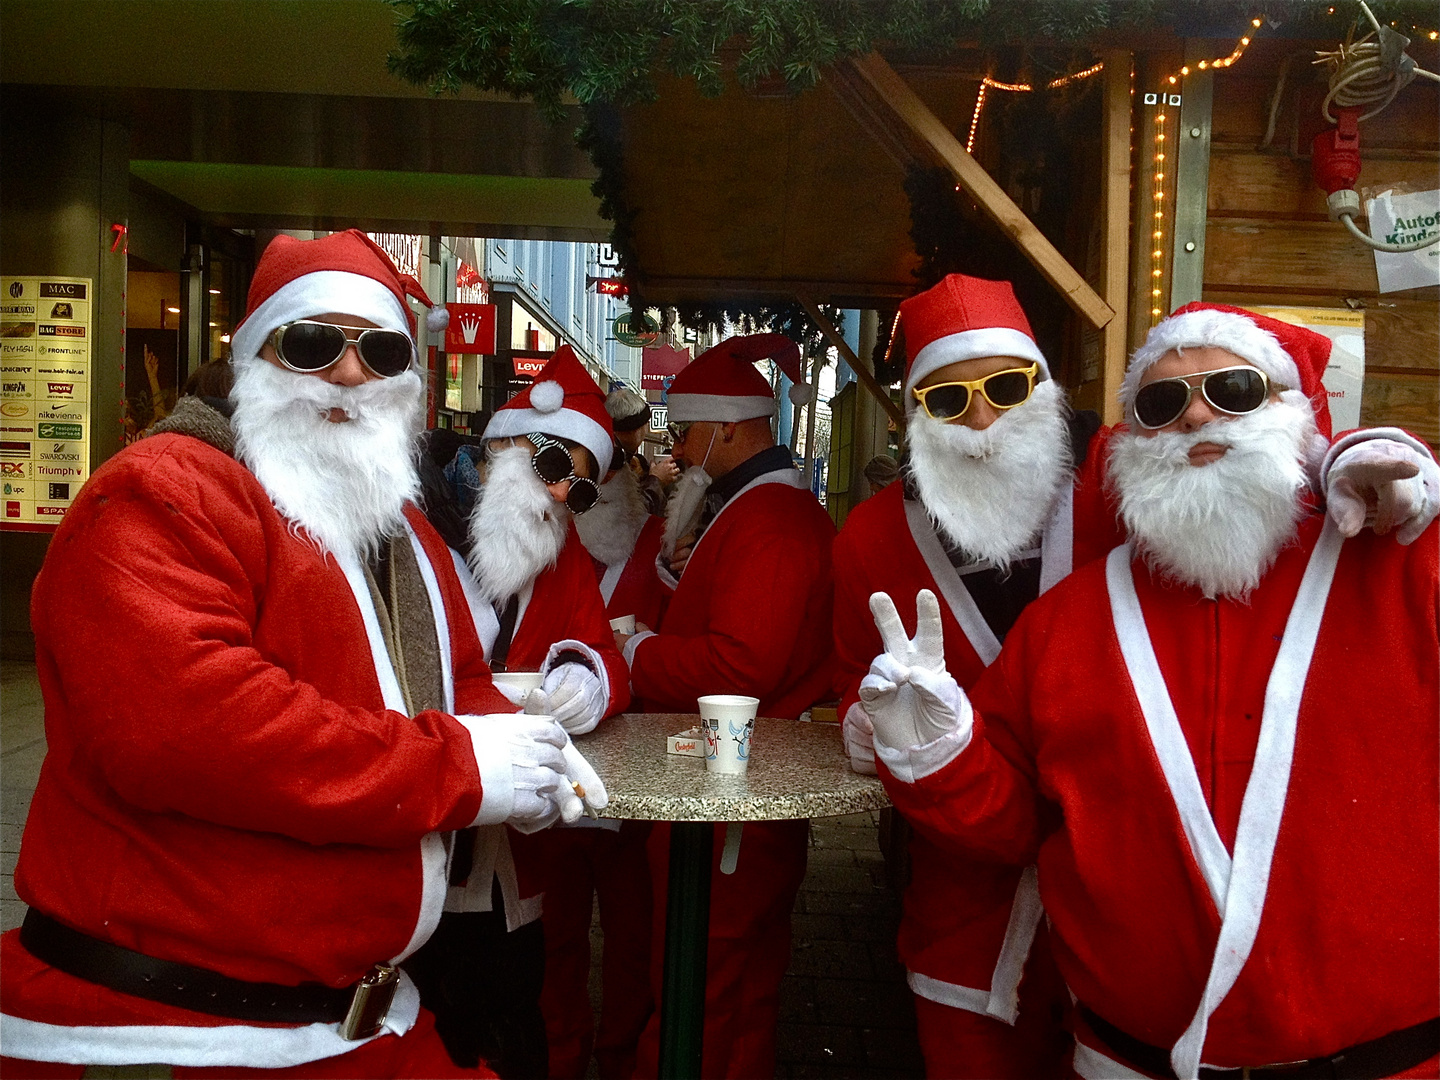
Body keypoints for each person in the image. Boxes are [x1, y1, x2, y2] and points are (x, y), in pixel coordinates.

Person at [0, 229, 591, 1078]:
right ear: (253, 360)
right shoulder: (160, 491)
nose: (351, 372)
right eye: (313, 343)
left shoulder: (404, 531)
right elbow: (189, 726)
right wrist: (458, 769)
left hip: (353, 1021)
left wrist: (528, 759)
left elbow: (457, 682)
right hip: (162, 1027)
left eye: (381, 351)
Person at [864, 304, 1439, 1080]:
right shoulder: (1063, 626)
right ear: (1127, 442)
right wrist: (933, 751)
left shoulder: (1402, 564)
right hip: (1123, 1061)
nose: (1196, 412)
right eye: (1160, 404)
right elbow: (1009, 826)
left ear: (1298, 410)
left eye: (1234, 389)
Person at [409, 345, 632, 1079]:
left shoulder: (559, 549)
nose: (562, 494)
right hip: (417, 827)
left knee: (511, 1018)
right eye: (550, 465)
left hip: (512, 861)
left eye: (582, 486)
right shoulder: (407, 520)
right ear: (503, 441)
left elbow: (598, 647)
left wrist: (585, 679)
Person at [618, 333, 836, 1080]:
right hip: (742, 784)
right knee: (736, 982)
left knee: (699, 980)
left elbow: (741, 663)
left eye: (685, 431)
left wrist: (638, 651)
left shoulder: (767, 520)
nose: (677, 447)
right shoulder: (761, 509)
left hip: (728, 793)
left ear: (730, 428)